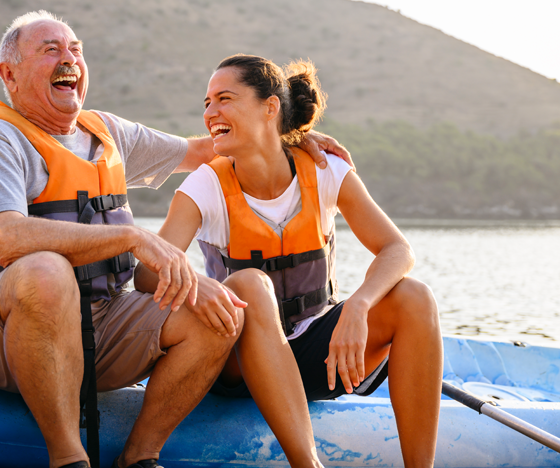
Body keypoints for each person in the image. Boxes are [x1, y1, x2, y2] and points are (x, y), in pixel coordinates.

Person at [0, 11, 351, 468]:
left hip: (101, 324)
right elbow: (8, 239)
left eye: (75, 49)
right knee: (45, 270)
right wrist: (130, 238)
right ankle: (68, 458)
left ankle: (139, 456)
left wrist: (286, 137)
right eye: (50, 50)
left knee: (218, 313)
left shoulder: (108, 133)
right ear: (9, 74)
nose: (69, 59)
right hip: (1, 334)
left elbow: (207, 150)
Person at [134, 54, 443, 467]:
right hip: (236, 365)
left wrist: (359, 305)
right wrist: (201, 287)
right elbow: (145, 274)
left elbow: (397, 249)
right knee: (249, 285)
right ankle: (306, 462)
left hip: (319, 357)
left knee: (415, 298)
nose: (211, 113)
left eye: (224, 99)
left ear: (270, 107)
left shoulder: (324, 169)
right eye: (206, 103)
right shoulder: (205, 185)